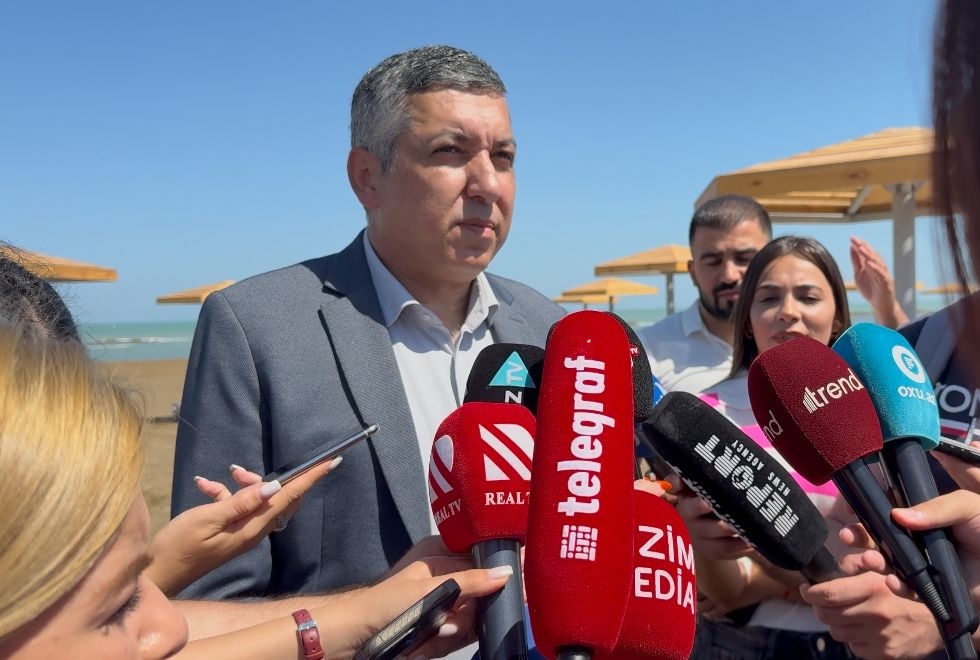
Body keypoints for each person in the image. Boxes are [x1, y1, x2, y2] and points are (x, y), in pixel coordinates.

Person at [170, 44, 564, 608]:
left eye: (503, 157)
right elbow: (205, 600)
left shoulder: (551, 329)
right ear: (366, 178)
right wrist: (369, 620)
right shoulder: (255, 328)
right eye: (450, 152)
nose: (488, 184)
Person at [0, 323, 515, 659]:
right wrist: (354, 619)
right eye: (118, 604)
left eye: (142, 579)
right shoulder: (249, 321)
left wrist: (173, 560)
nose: (173, 626)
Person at [674, 236, 864, 659]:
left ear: (837, 316)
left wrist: (772, 582)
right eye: (769, 298)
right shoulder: (708, 417)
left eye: (808, 297)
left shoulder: (874, 411)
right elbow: (727, 590)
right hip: (742, 645)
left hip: (865, 645)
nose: (788, 311)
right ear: (747, 320)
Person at [638, 196, 905, 396]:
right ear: (692, 271)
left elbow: (903, 374)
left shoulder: (853, 386)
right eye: (713, 261)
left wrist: (885, 307)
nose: (729, 274)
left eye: (744, 258)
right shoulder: (647, 349)